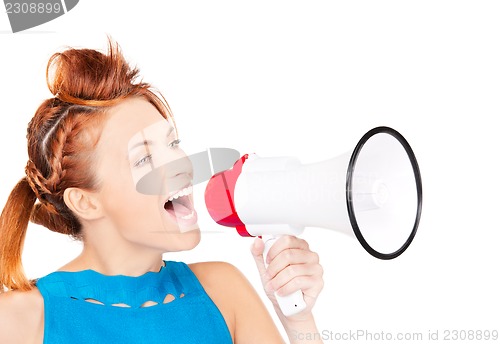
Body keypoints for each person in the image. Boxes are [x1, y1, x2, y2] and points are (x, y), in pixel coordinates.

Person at [0, 39, 324, 344]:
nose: (181, 165)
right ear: (85, 201)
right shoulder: (18, 318)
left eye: (173, 143)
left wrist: (298, 321)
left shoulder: (224, 291)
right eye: (144, 158)